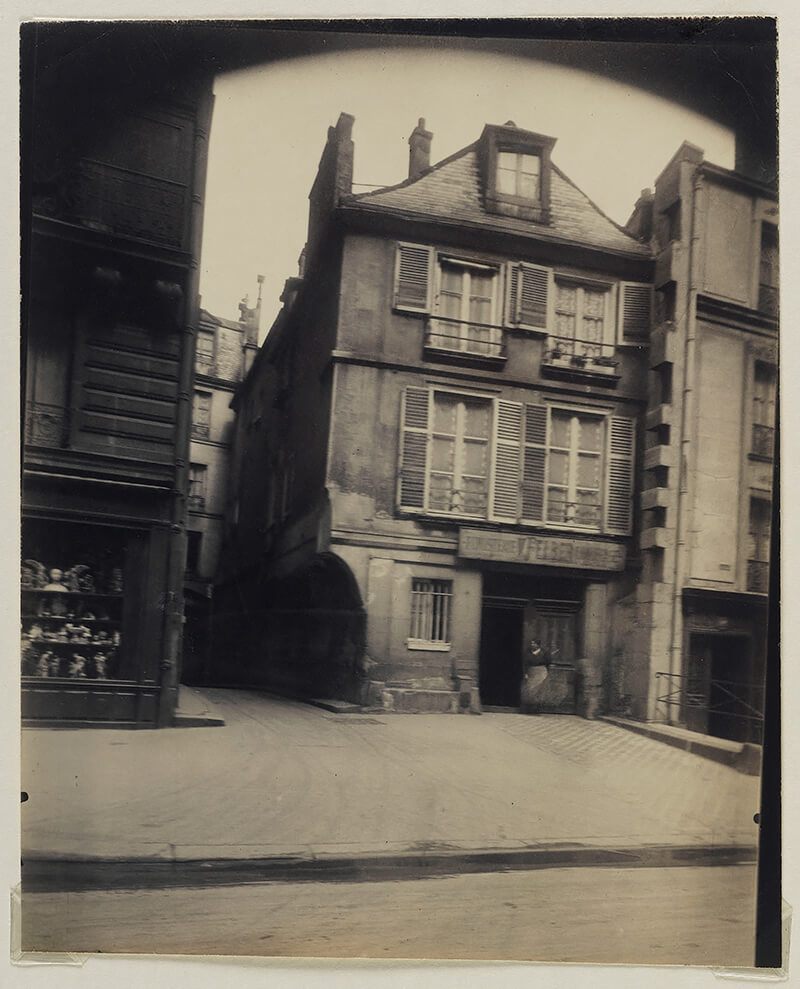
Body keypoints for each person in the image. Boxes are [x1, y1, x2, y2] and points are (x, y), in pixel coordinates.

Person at [521, 637, 549, 713]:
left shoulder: (544, 653)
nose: (532, 645)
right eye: (531, 643)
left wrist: (545, 673)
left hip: (541, 672)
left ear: (538, 645)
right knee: (530, 690)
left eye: (534, 643)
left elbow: (548, 663)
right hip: (531, 672)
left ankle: (537, 709)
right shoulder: (527, 652)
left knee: (539, 690)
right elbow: (525, 664)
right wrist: (525, 673)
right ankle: (529, 709)